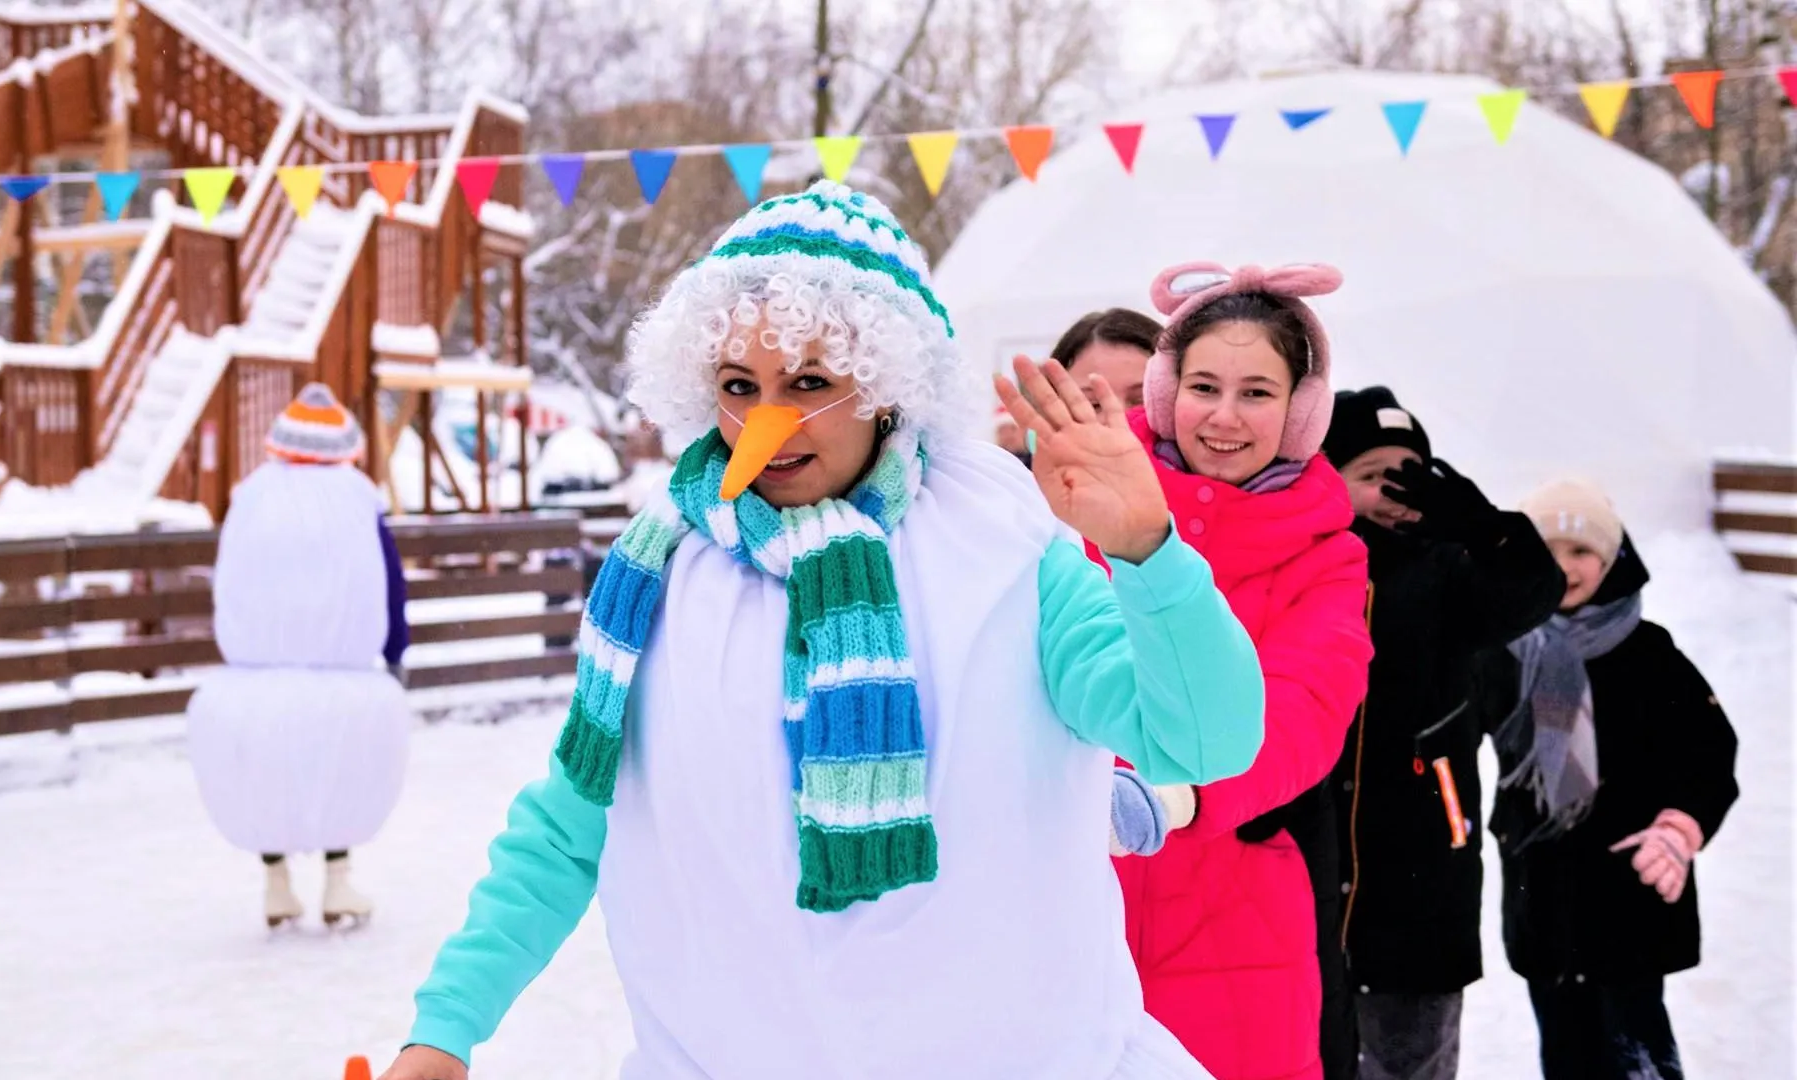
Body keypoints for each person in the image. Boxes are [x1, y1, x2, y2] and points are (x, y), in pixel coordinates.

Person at [378, 181, 1268, 1080]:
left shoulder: (1008, 550)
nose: (770, 420)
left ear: (885, 388)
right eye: (739, 385)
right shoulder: (653, 575)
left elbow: (1203, 736)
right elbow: (571, 827)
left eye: (810, 382)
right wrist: (447, 1025)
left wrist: (1149, 551)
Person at [1104, 262, 1373, 1080]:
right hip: (1073, 893)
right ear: (1164, 391)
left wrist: (1183, 793)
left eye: (1257, 392)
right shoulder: (1091, 501)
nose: (1224, 417)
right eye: (1204, 386)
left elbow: (1307, 703)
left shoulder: (1327, 552)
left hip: (1236, 915)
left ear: (1300, 410)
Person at [1318, 386, 1566, 1080]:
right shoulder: (1309, 569)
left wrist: (1487, 528)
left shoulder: (1454, 572)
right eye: (1372, 477)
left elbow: (1531, 591)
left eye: (1413, 475)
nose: (1396, 494)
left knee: (1411, 1061)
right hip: (1312, 877)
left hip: (1422, 886)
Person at [1478, 479, 1738, 1080]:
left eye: (1581, 551)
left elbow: (1709, 751)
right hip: (1541, 890)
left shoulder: (1650, 653)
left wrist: (1681, 826)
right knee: (1564, 1052)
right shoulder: (1503, 652)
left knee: (1636, 1049)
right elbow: (1448, 727)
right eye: (1548, 552)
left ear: (1611, 557)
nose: (1566, 568)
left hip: (1629, 887)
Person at [185, 383, 412, 929]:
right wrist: (395, 648)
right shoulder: (358, 498)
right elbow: (390, 582)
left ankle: (277, 885)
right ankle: (337, 882)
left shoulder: (252, 495)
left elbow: (231, 579)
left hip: (255, 675)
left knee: (269, 775)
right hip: (346, 673)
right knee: (339, 770)